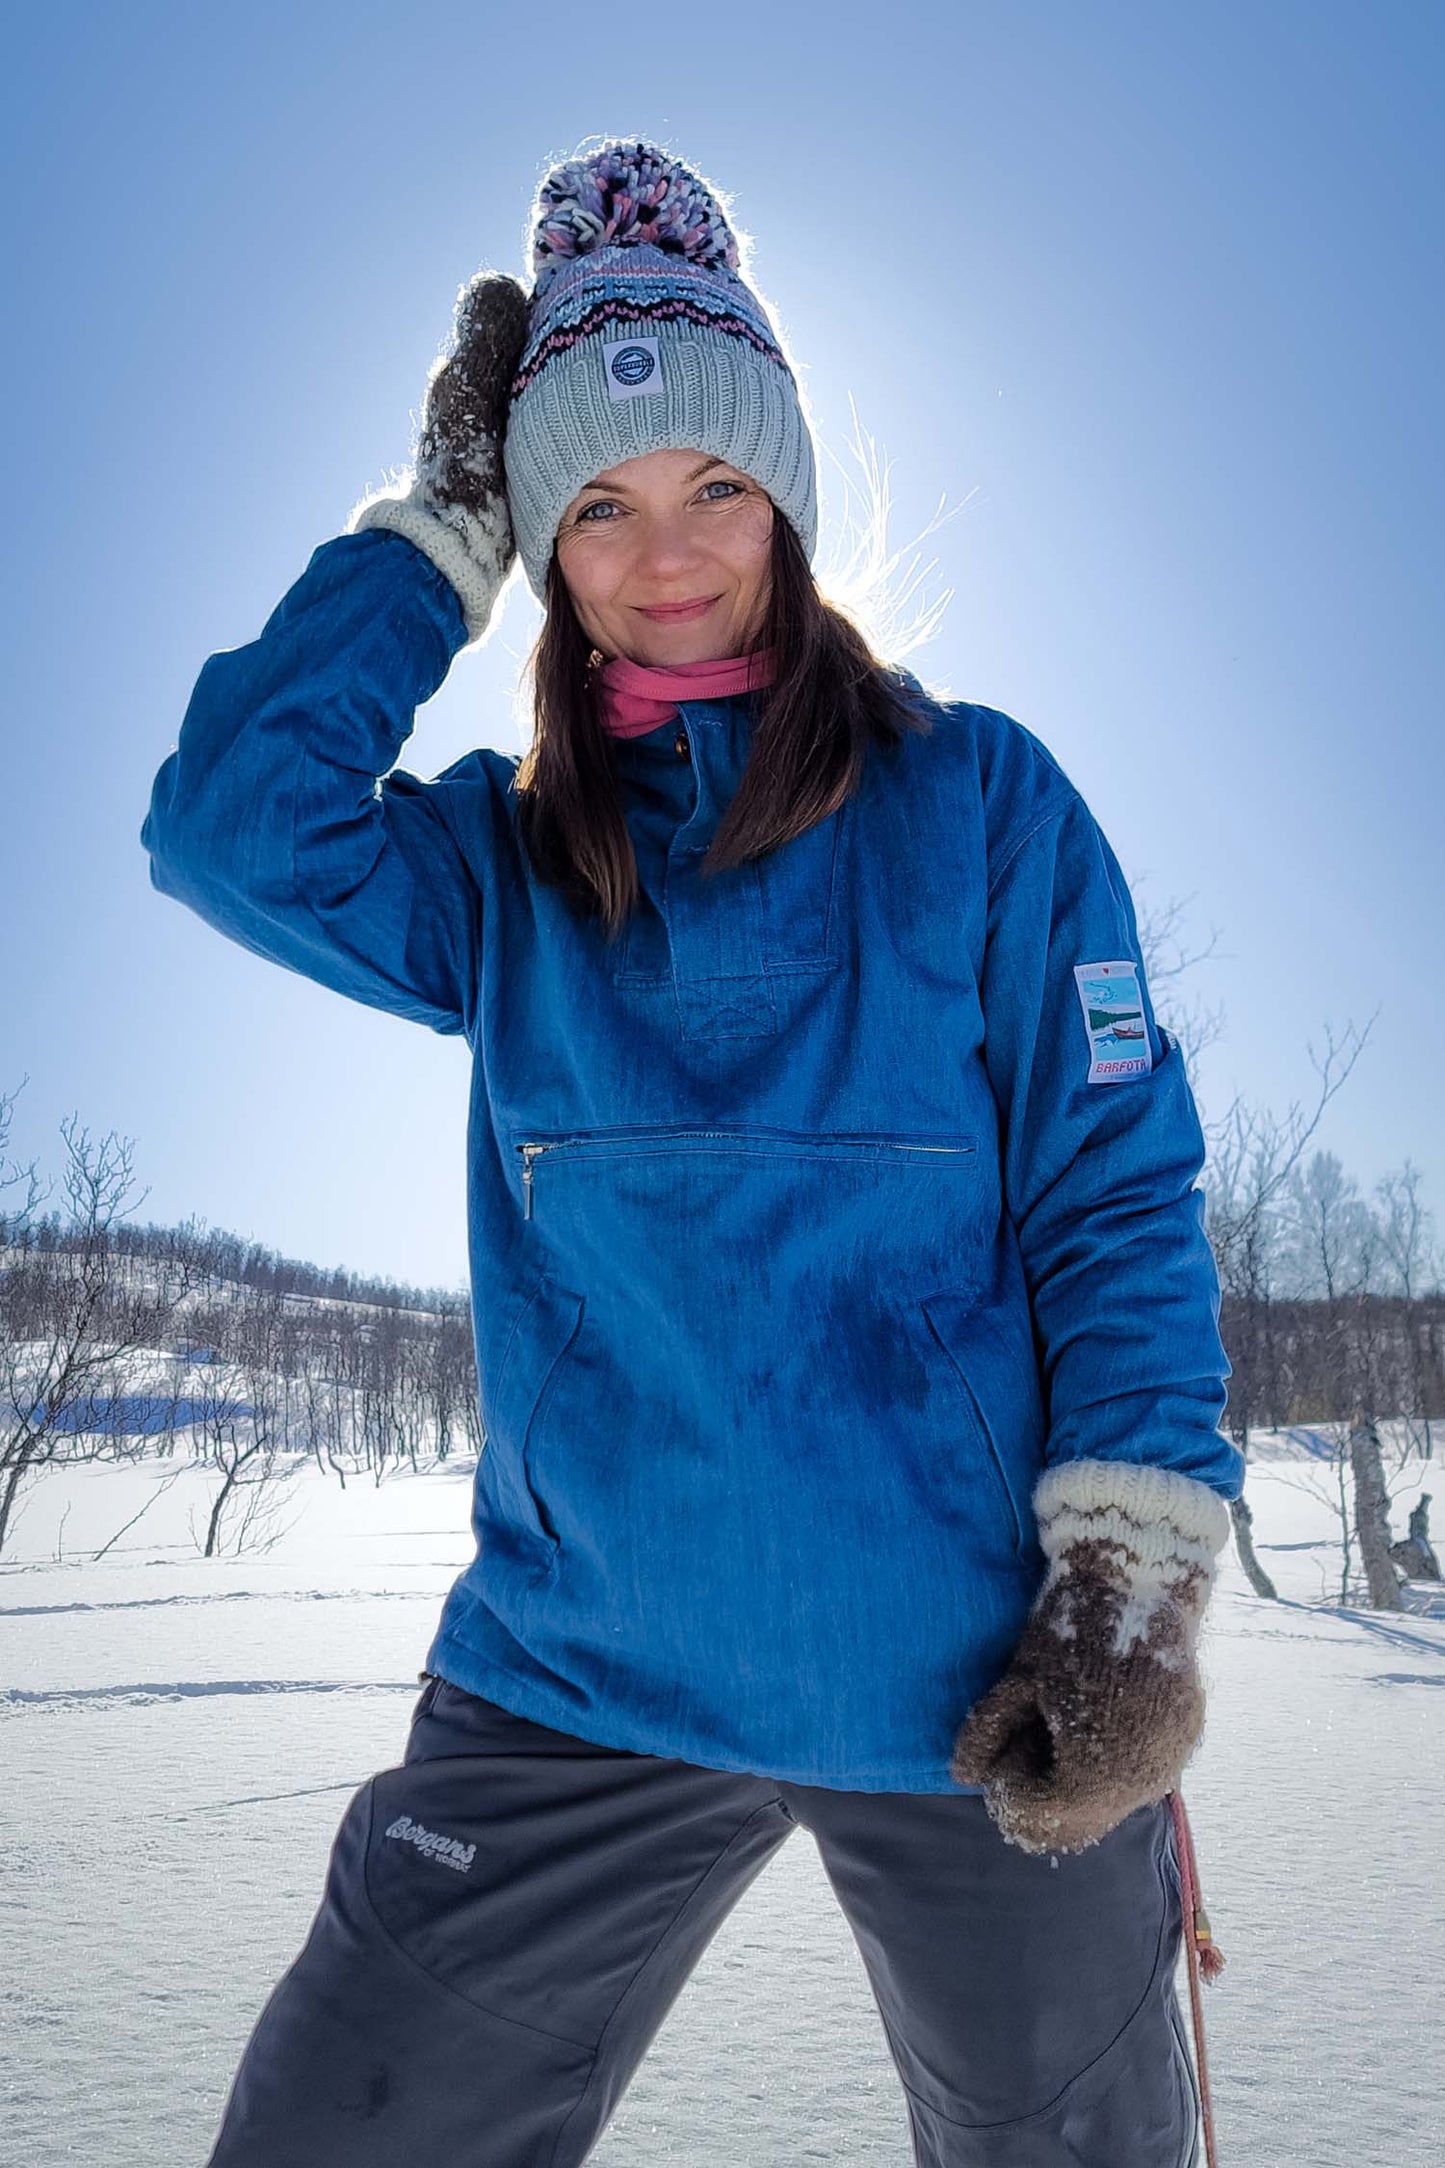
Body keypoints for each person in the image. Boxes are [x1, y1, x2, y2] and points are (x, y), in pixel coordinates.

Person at [141, 136, 1241, 2168]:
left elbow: (1112, 1204)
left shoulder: (981, 806)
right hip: (582, 1668)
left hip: (983, 1683)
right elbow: (228, 823)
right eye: (595, 503)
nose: (668, 555)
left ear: (794, 501)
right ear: (539, 545)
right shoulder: (502, 864)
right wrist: (432, 531)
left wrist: (1133, 1586)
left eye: (718, 484)